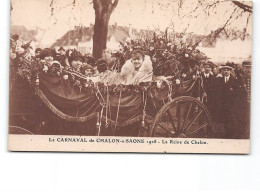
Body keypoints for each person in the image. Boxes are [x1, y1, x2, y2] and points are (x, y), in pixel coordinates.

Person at [215, 62, 240, 139]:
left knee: (232, 120)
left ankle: (232, 134)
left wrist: (232, 92)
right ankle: (226, 133)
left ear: (230, 71)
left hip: (231, 105)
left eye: (227, 70)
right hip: (223, 104)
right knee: (225, 120)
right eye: (224, 70)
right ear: (222, 71)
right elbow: (218, 92)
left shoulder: (234, 80)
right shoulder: (219, 80)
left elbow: (237, 93)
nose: (226, 72)